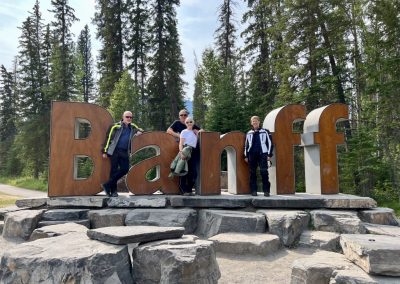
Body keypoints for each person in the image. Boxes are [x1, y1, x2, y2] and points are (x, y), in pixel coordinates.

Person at [101, 111, 143, 197]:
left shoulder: (133, 126)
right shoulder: (115, 126)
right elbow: (108, 138)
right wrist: (104, 151)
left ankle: (107, 184)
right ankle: (113, 191)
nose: (129, 119)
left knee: (125, 169)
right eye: (127, 117)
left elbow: (140, 129)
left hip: (124, 151)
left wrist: (140, 131)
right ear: (123, 117)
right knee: (114, 170)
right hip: (114, 151)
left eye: (131, 117)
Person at [244, 116, 274, 197]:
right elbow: (246, 145)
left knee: (264, 172)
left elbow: (270, 143)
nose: (254, 122)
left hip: (263, 154)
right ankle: (253, 191)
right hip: (252, 154)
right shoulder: (249, 133)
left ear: (259, 122)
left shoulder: (265, 131)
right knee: (252, 173)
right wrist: (246, 156)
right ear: (251, 123)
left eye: (256, 121)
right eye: (253, 121)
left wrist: (269, 154)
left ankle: (266, 191)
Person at [178, 117, 198, 195]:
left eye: (190, 122)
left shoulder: (195, 132)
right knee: (184, 171)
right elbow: (180, 143)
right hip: (185, 150)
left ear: (193, 122)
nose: (189, 123)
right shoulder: (184, 131)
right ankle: (183, 190)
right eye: (187, 122)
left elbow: (203, 132)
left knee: (193, 173)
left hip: (194, 152)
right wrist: (181, 152)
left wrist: (198, 132)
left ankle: (189, 189)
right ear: (185, 124)